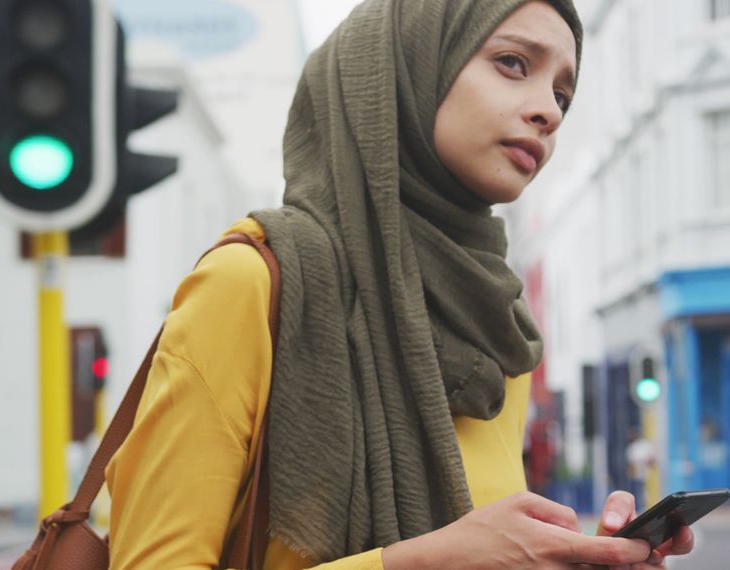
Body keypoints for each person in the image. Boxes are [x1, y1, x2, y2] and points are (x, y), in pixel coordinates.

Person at [104, 1, 695, 568]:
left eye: (563, 93)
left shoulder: (500, 326)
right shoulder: (251, 285)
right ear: (408, 65)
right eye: (513, 63)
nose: (549, 110)